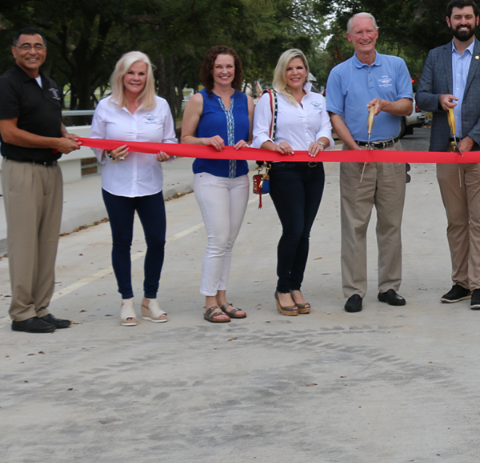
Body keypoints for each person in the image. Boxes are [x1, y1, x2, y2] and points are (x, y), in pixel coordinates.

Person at [417, 0, 480, 311]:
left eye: (468, 16)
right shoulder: (435, 57)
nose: (463, 22)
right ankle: (461, 282)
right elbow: (421, 97)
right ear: (449, 22)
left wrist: (472, 138)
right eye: (457, 17)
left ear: (477, 20)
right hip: (445, 149)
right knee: (456, 221)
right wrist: (438, 99)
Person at [0, 27, 81, 333]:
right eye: (25, 46)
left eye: (38, 46)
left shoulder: (50, 85)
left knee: (46, 242)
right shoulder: (7, 85)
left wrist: (64, 135)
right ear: (14, 51)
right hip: (22, 169)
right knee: (24, 242)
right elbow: (10, 133)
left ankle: (41, 307)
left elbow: (51, 120)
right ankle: (21, 312)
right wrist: (54, 142)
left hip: (50, 170)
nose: (33, 51)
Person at [326, 13, 414, 313]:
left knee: (390, 224)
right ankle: (354, 290)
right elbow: (334, 114)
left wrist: (385, 104)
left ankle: (389, 287)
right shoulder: (339, 73)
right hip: (355, 156)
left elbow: (407, 105)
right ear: (349, 37)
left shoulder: (395, 65)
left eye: (369, 31)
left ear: (377, 33)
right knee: (354, 225)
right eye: (358, 32)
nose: (364, 36)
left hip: (391, 153)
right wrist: (352, 147)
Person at [90, 51, 177, 326]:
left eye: (141, 73)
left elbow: (170, 142)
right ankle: (126, 299)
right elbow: (95, 143)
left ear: (147, 77)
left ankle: (150, 298)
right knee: (122, 243)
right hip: (116, 186)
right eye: (131, 73)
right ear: (121, 75)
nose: (136, 78)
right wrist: (109, 155)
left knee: (157, 241)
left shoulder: (160, 106)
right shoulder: (106, 106)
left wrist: (167, 154)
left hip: (150, 185)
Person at [253, 49, 333, 316]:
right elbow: (259, 136)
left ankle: (296, 286)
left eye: (300, 68)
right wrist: (275, 145)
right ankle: (283, 288)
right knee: (293, 229)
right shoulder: (270, 99)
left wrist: (320, 142)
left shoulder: (317, 100)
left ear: (306, 70)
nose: (295, 73)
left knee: (305, 232)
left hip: (314, 170)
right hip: (285, 171)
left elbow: (325, 129)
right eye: (290, 69)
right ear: (282, 72)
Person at [181, 46, 254, 324]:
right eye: (219, 66)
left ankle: (222, 298)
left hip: (239, 179)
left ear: (236, 70)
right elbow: (184, 139)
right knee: (217, 239)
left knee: (229, 242)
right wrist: (204, 140)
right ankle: (209, 301)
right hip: (209, 177)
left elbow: (250, 137)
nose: (225, 71)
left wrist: (247, 144)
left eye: (230, 66)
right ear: (210, 69)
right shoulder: (200, 100)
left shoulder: (245, 100)